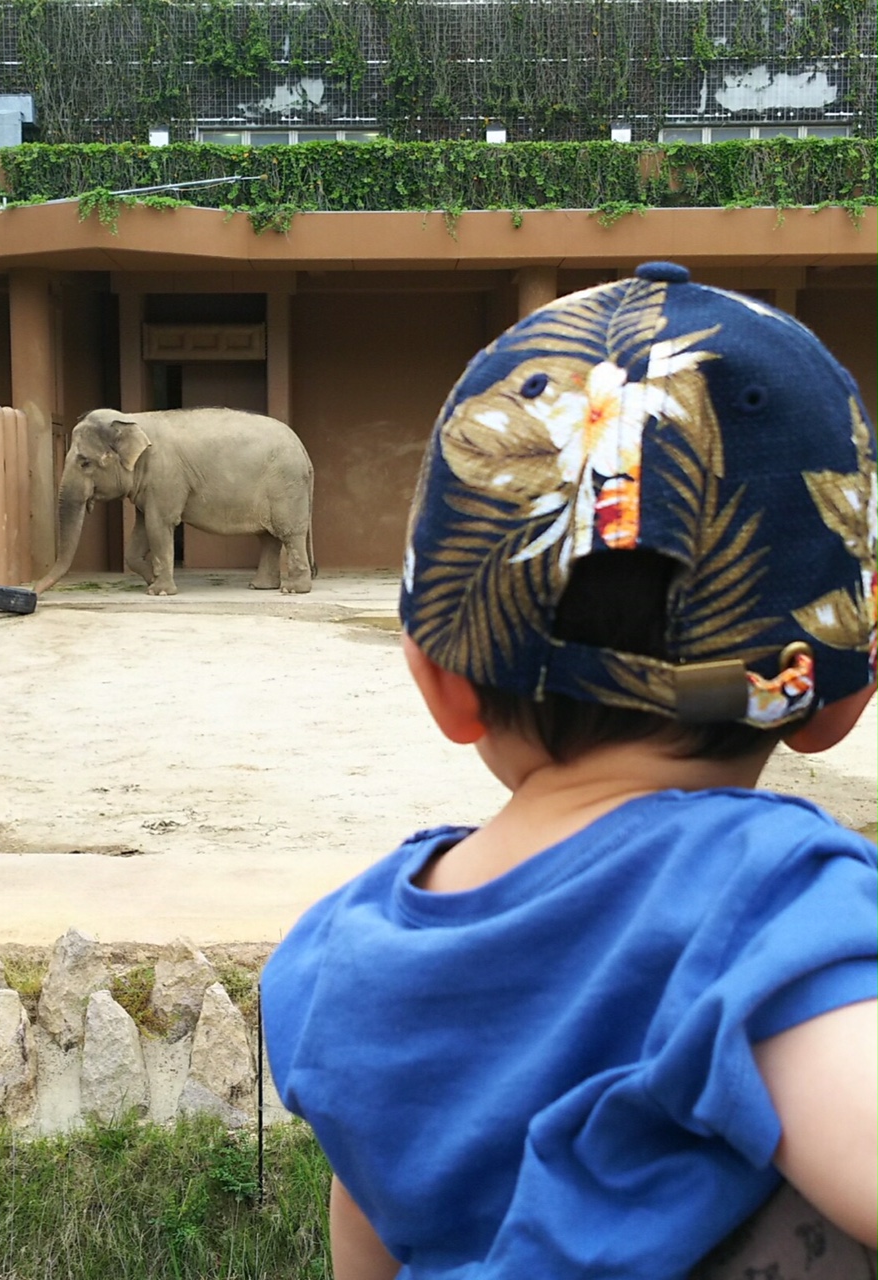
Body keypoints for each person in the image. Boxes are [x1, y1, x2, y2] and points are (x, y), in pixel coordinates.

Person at [260, 261, 878, 1279]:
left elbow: (370, 1249)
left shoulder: (342, 954)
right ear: (838, 698)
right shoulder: (770, 909)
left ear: (438, 681)